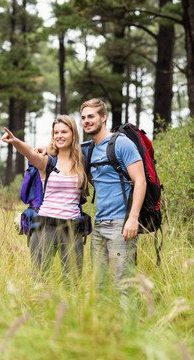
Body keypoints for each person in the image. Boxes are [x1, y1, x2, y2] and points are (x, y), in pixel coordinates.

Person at [2, 115, 88, 284]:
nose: (59, 136)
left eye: (64, 131)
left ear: (73, 134)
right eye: (56, 132)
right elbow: (29, 152)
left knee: (73, 283)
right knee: (40, 282)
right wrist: (15, 141)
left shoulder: (82, 162)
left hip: (73, 229)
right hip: (45, 228)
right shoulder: (47, 162)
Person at [80, 98, 146, 290]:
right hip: (99, 225)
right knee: (98, 285)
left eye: (91, 116)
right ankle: (105, 320)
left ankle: (131, 320)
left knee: (123, 284)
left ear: (103, 117)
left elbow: (140, 180)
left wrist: (133, 219)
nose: (86, 121)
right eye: (83, 117)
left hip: (121, 224)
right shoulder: (88, 149)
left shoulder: (122, 144)